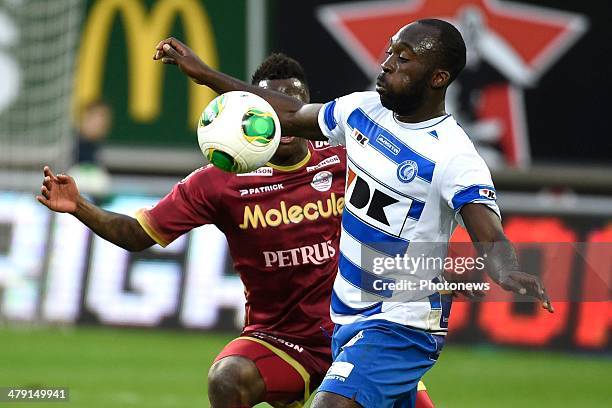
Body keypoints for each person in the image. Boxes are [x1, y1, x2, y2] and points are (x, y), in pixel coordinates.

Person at [153, 18, 553, 408]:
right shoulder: (362, 111)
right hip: (348, 317)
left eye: (405, 58)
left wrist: (505, 269)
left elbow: (489, 232)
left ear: (437, 78)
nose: (388, 63)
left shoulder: (454, 156)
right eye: (389, 51)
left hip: (403, 323)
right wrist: (207, 75)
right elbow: (289, 115)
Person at [37, 54, 435, 408]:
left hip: (360, 333)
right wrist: (80, 207)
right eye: (271, 108)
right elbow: (139, 233)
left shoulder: (349, 159)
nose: (284, 117)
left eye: (293, 105)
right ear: (254, 113)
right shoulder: (220, 181)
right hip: (282, 340)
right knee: (227, 379)